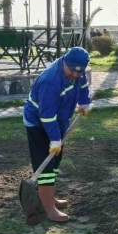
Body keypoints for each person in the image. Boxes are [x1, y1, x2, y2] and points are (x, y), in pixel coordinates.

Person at [23, 47, 92, 222]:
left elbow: (82, 85)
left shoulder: (77, 70)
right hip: (38, 122)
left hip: (59, 119)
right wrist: (54, 139)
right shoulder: (50, 81)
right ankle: (49, 209)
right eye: (72, 71)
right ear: (64, 63)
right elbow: (46, 115)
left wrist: (85, 103)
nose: (76, 75)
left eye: (80, 72)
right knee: (45, 165)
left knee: (55, 160)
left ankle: (48, 196)